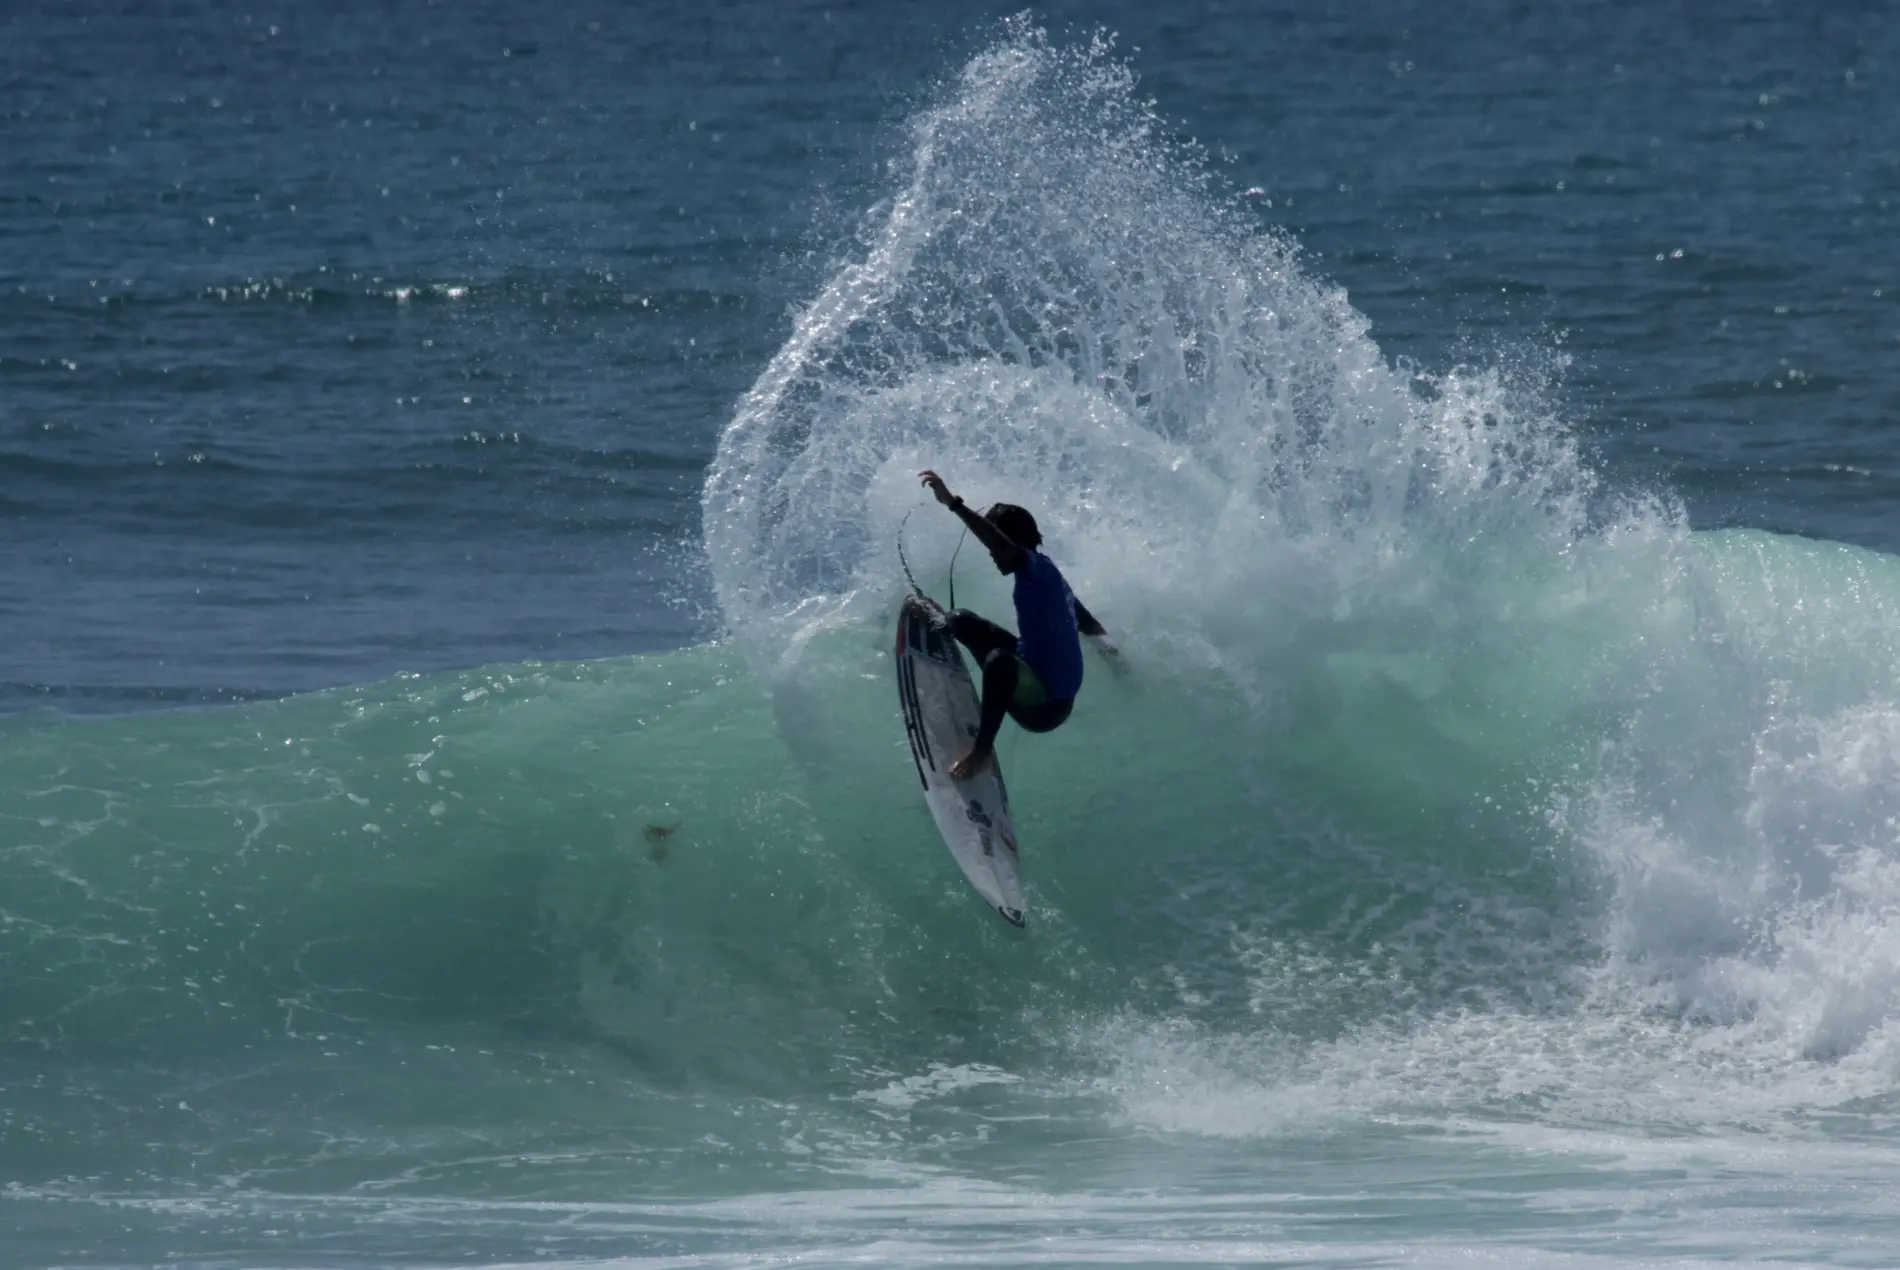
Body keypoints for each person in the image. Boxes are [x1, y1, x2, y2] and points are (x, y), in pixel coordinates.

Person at [917, 469, 1114, 780]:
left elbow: (1002, 545)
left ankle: (981, 752)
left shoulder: (1033, 567)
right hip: (1037, 675)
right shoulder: (1050, 576)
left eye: (995, 548)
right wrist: (1114, 656)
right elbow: (1088, 623)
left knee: (1000, 661)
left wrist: (953, 503)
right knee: (959, 619)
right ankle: (940, 628)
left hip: (1046, 707)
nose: (992, 555)